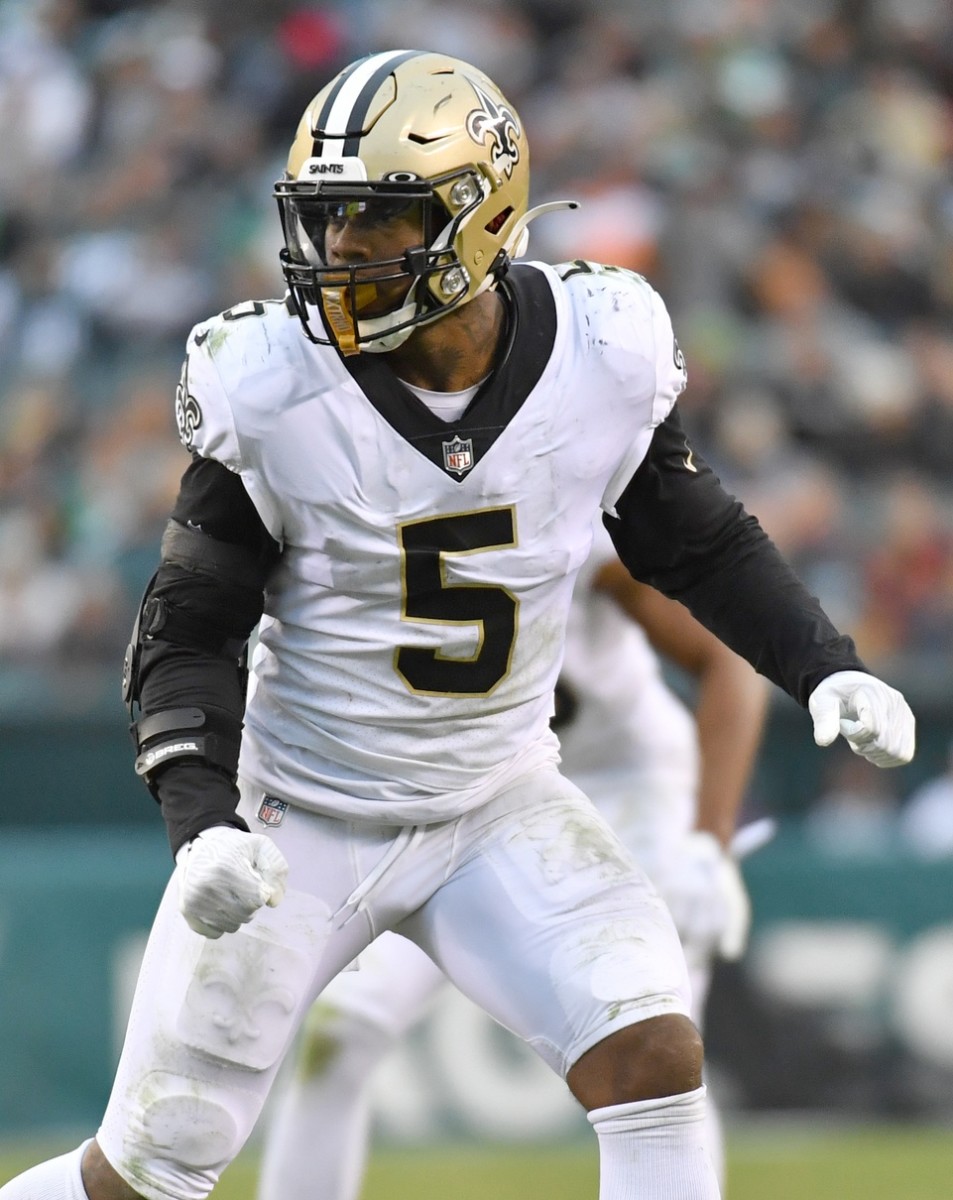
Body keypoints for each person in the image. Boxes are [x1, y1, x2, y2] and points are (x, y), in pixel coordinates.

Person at [1, 49, 914, 1200]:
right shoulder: (275, 387)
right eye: (324, 223)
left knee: (651, 1054)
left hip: (495, 801)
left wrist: (819, 665)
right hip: (305, 816)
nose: (337, 254)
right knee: (148, 1169)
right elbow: (187, 630)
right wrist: (203, 822)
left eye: (374, 222)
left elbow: (698, 537)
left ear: (473, 217)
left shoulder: (597, 351)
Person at [256, 518, 771, 1200]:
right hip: (477, 795)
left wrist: (709, 838)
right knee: (344, 1022)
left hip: (627, 792)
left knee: (655, 1051)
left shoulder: (560, 516)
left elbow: (727, 657)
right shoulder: (357, 508)